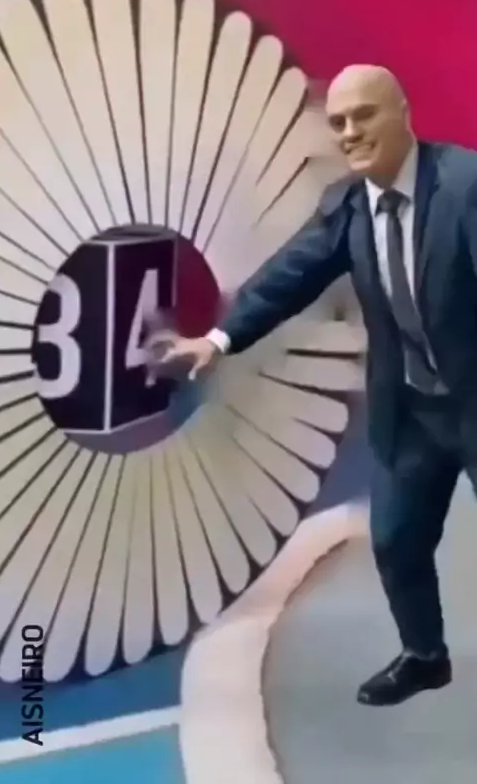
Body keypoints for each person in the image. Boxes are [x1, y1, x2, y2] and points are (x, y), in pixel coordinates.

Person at [144, 64, 477, 707]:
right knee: (396, 540)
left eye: (364, 115)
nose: (350, 132)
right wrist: (215, 341)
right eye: (339, 122)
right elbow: (288, 275)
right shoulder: (348, 205)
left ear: (403, 113)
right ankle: (424, 657)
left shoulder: (464, 186)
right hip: (411, 409)